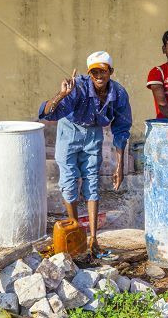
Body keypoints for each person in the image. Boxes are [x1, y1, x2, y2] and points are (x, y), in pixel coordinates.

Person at [38, 51, 132, 255]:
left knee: (92, 181)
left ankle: (93, 239)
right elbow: (47, 112)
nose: (98, 76)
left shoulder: (119, 94)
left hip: (94, 134)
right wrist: (62, 94)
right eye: (94, 72)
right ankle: (74, 232)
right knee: (69, 180)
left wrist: (119, 166)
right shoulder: (77, 87)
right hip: (70, 132)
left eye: (103, 71)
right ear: (89, 74)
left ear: (111, 72)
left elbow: (122, 130)